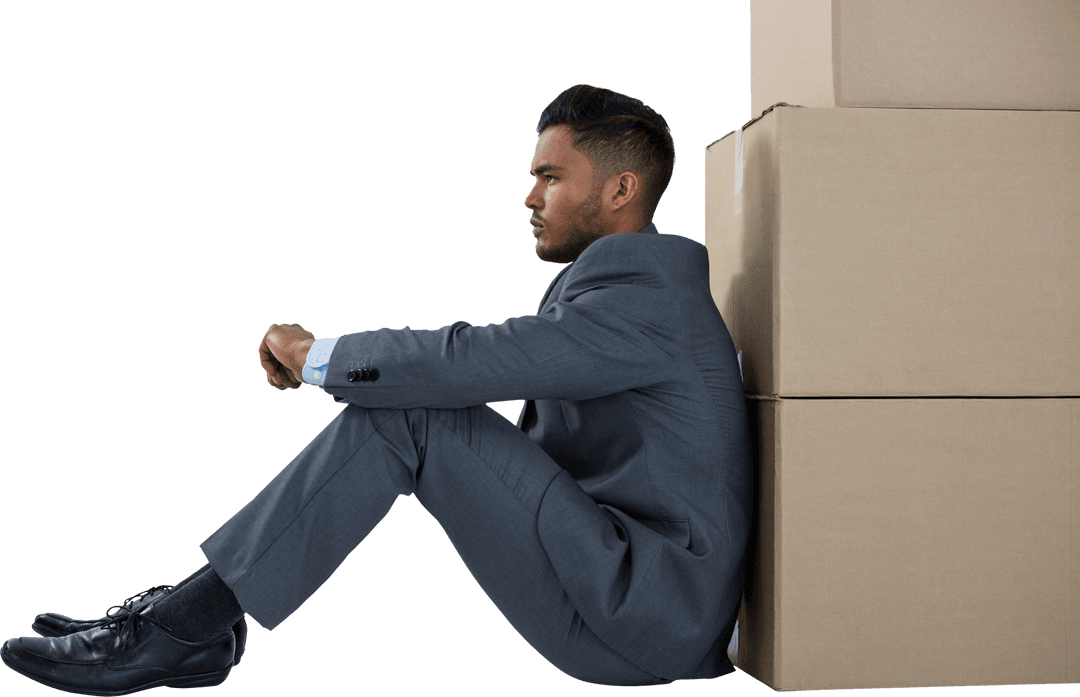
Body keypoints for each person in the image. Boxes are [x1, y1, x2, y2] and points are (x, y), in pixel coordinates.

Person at [1, 83, 752, 694]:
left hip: (643, 613)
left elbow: (469, 360)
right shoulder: (628, 291)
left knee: (413, 415)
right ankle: (185, 623)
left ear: (621, 188)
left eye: (550, 177)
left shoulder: (646, 301)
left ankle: (176, 630)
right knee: (416, 408)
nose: (529, 196)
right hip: (629, 592)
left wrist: (316, 353)